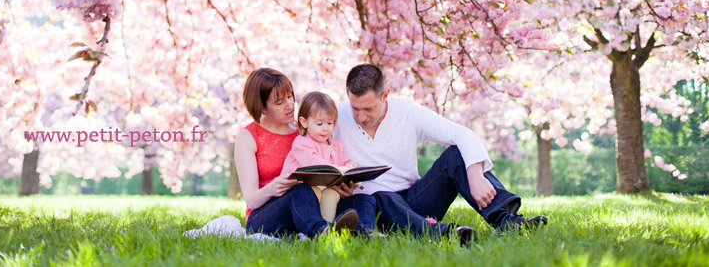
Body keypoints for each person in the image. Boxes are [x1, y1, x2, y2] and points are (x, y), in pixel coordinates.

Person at [334, 63, 547, 241]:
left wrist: (475, 174)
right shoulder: (335, 117)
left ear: (385, 96)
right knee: (381, 196)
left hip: (413, 201)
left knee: (456, 155)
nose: (361, 117)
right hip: (371, 209)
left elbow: (462, 135)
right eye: (355, 109)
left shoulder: (406, 112)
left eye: (369, 109)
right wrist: (334, 185)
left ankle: (505, 220)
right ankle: (443, 233)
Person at [234, 68, 373, 237]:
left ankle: (366, 233)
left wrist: (341, 184)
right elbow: (251, 199)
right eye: (279, 102)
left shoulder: (310, 127)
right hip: (266, 216)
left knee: (363, 199)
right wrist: (273, 188)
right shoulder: (248, 137)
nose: (290, 105)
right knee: (300, 191)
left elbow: (331, 161)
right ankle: (322, 233)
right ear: (262, 107)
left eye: (290, 96)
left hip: (313, 207)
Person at [281, 91, 356, 223]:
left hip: (326, 187)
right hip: (300, 190)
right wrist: (336, 168)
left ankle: (326, 226)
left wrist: (350, 168)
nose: (325, 129)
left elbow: (346, 161)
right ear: (304, 122)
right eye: (320, 124)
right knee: (313, 193)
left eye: (330, 123)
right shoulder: (301, 142)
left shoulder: (337, 145)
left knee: (332, 195)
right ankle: (309, 227)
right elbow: (314, 163)